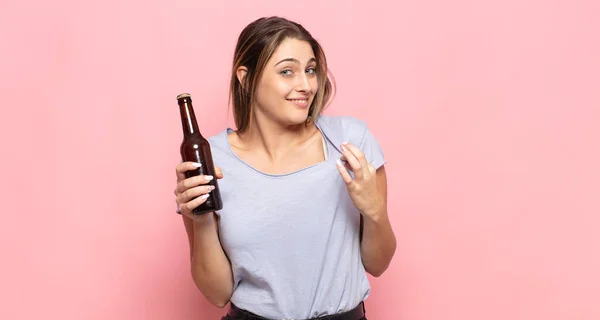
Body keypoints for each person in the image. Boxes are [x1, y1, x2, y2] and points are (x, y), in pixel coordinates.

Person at [173, 16, 397, 320]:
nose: (305, 85)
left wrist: (374, 212)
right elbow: (217, 293)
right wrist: (199, 219)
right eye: (287, 72)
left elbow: (378, 264)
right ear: (246, 77)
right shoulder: (211, 161)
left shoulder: (350, 143)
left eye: (310, 70)